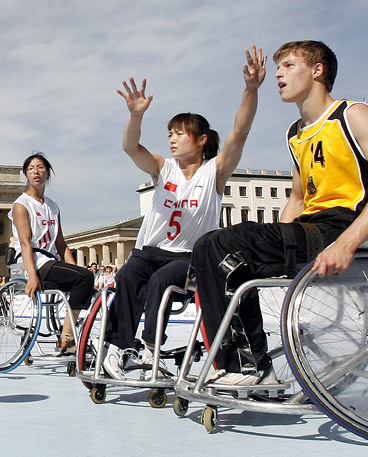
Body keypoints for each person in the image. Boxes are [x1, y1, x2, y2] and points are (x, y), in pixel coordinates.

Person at [190, 40, 368, 386]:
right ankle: (242, 363)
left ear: (317, 70)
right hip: (312, 228)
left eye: (289, 65)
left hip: (351, 227)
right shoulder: (296, 134)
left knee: (222, 243)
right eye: (278, 67)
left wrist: (347, 243)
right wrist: (269, 244)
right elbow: (296, 199)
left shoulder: (353, 115)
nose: (278, 73)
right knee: (213, 247)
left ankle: (250, 368)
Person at [101, 45, 267, 380]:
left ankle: (152, 350)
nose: (172, 140)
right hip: (149, 251)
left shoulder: (215, 172)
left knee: (162, 281)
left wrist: (250, 90)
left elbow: (240, 132)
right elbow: (130, 147)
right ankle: (116, 349)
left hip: (187, 257)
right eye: (170, 135)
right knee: (127, 276)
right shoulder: (163, 169)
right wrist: (136, 116)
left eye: (179, 134)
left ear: (202, 139)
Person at [10, 152, 95, 349]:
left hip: (51, 260)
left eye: (40, 167)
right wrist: (32, 276)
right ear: (26, 175)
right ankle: (67, 337)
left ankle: (68, 333)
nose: (35, 172)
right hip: (34, 261)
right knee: (84, 278)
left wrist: (76, 270)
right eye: (30, 169)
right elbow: (24, 244)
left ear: (48, 174)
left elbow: (61, 243)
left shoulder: (53, 206)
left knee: (84, 279)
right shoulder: (21, 205)